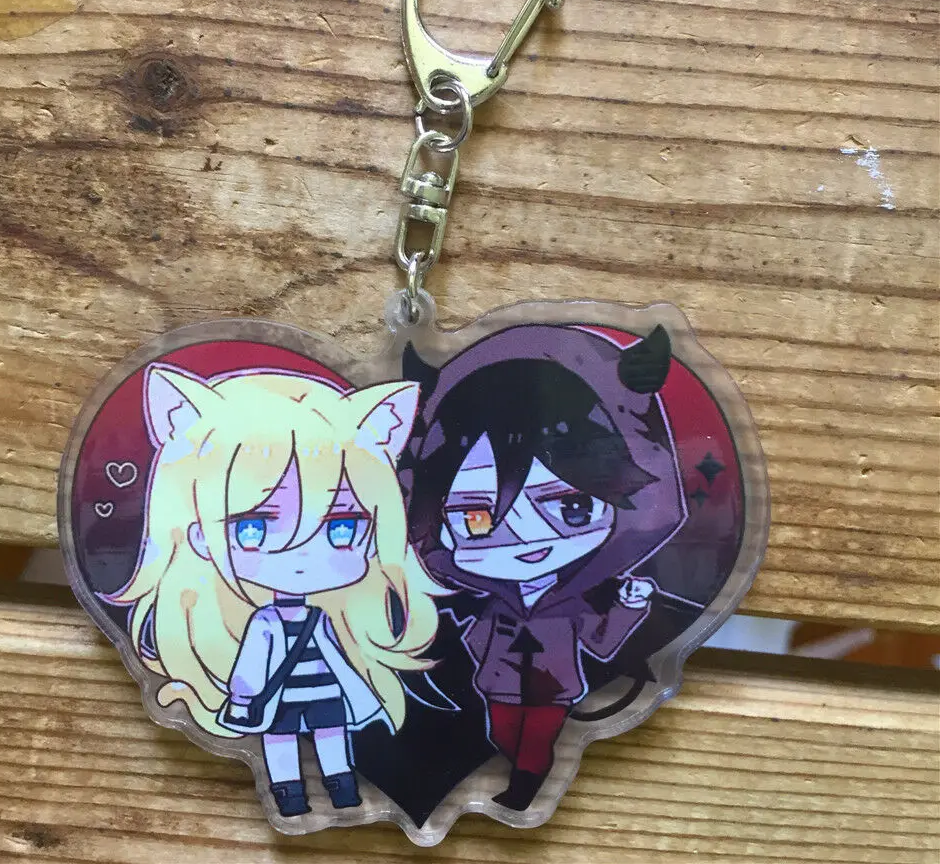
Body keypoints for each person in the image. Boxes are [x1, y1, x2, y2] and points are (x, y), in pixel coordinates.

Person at [104, 363, 440, 817]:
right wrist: (243, 698)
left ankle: (340, 789)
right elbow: (250, 666)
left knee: (330, 739)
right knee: (282, 742)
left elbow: (338, 660)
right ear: (198, 533)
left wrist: (362, 698)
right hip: (278, 699)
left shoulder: (318, 618)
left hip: (321, 695)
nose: (300, 553)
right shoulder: (264, 622)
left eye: (341, 526)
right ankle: (291, 794)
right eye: (253, 528)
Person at [404, 325, 689, 811]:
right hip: (496, 684)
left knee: (537, 740)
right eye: (476, 519)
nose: (527, 541)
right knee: (502, 733)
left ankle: (524, 786)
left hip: (555, 689)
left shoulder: (578, 600)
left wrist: (628, 605)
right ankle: (522, 770)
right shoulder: (492, 600)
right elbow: (475, 636)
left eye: (572, 509)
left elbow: (601, 641)